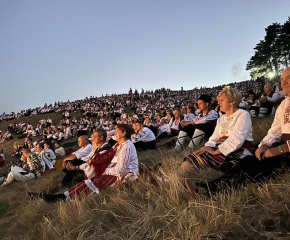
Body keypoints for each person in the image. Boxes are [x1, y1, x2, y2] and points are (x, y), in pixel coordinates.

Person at [30, 124, 139, 202]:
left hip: (124, 174)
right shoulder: (119, 145)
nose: (115, 133)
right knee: (89, 181)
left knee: (93, 182)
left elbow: (121, 170)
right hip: (112, 170)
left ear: (124, 133)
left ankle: (63, 197)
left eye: (117, 131)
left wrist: (104, 171)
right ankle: (62, 196)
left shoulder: (127, 146)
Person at [177, 87, 254, 194]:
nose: (218, 102)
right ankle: (177, 183)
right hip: (220, 147)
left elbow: (237, 139)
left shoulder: (242, 114)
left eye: (222, 100)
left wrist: (215, 151)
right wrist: (207, 147)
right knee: (193, 157)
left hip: (237, 151)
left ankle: (188, 187)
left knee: (198, 159)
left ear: (232, 101)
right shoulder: (221, 118)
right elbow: (215, 136)